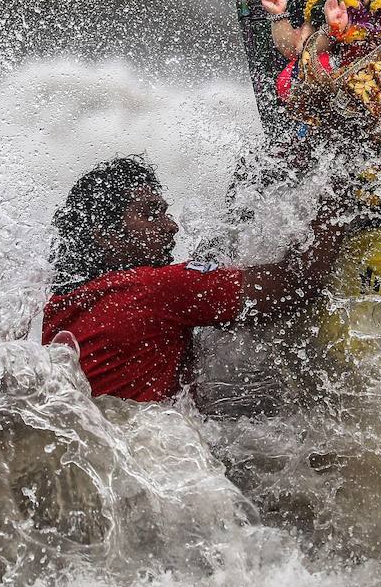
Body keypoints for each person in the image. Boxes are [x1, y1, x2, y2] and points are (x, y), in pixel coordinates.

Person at [42, 155, 347, 402]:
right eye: (151, 214)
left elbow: (207, 265)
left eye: (165, 212)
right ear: (105, 236)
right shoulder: (154, 289)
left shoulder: (56, 308)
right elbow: (295, 282)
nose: (171, 226)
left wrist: (245, 196)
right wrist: (339, 180)